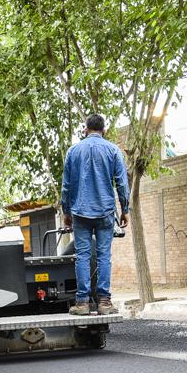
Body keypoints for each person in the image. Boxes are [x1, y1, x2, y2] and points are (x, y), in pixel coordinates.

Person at [60, 113, 130, 315]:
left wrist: (66, 211)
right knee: (103, 256)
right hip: (105, 211)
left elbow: (66, 186)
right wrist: (124, 209)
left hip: (80, 212)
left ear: (85, 129)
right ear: (104, 130)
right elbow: (121, 183)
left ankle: (82, 303)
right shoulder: (113, 150)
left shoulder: (73, 151)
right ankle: (104, 302)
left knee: (82, 255)